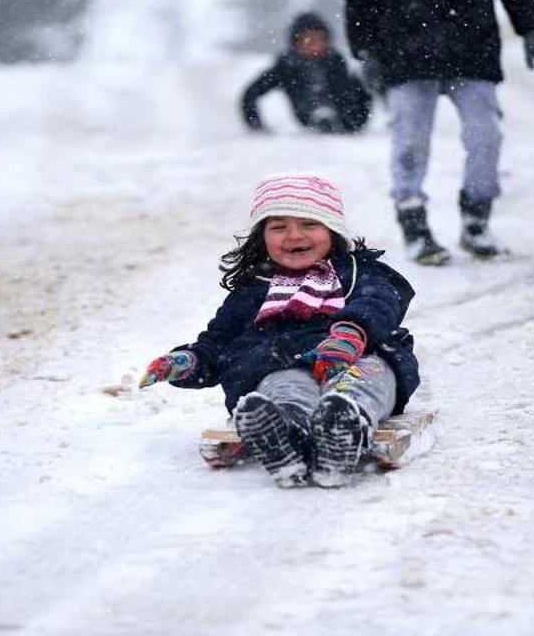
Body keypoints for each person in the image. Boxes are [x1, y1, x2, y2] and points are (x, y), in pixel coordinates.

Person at [137, 174, 420, 488]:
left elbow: (379, 302)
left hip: (356, 358)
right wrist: (186, 362)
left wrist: (351, 332)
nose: (293, 235)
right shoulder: (253, 289)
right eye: (278, 226)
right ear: (262, 237)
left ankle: (343, 426)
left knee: (364, 380)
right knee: (283, 387)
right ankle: (284, 435)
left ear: (333, 230)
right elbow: (218, 343)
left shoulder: (358, 272)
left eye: (309, 224)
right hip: (283, 364)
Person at [344, 0, 534, 265]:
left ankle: (476, 220)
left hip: (472, 48)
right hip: (403, 52)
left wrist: (533, 31)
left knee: (485, 135)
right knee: (410, 139)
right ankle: (413, 223)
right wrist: (365, 49)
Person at [240, 13, 372, 135]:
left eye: (320, 40)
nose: (315, 46)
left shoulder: (336, 62)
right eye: (308, 40)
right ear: (295, 43)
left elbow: (359, 95)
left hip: (347, 122)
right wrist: (255, 126)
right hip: (307, 116)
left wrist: (356, 120)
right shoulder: (286, 67)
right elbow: (251, 93)